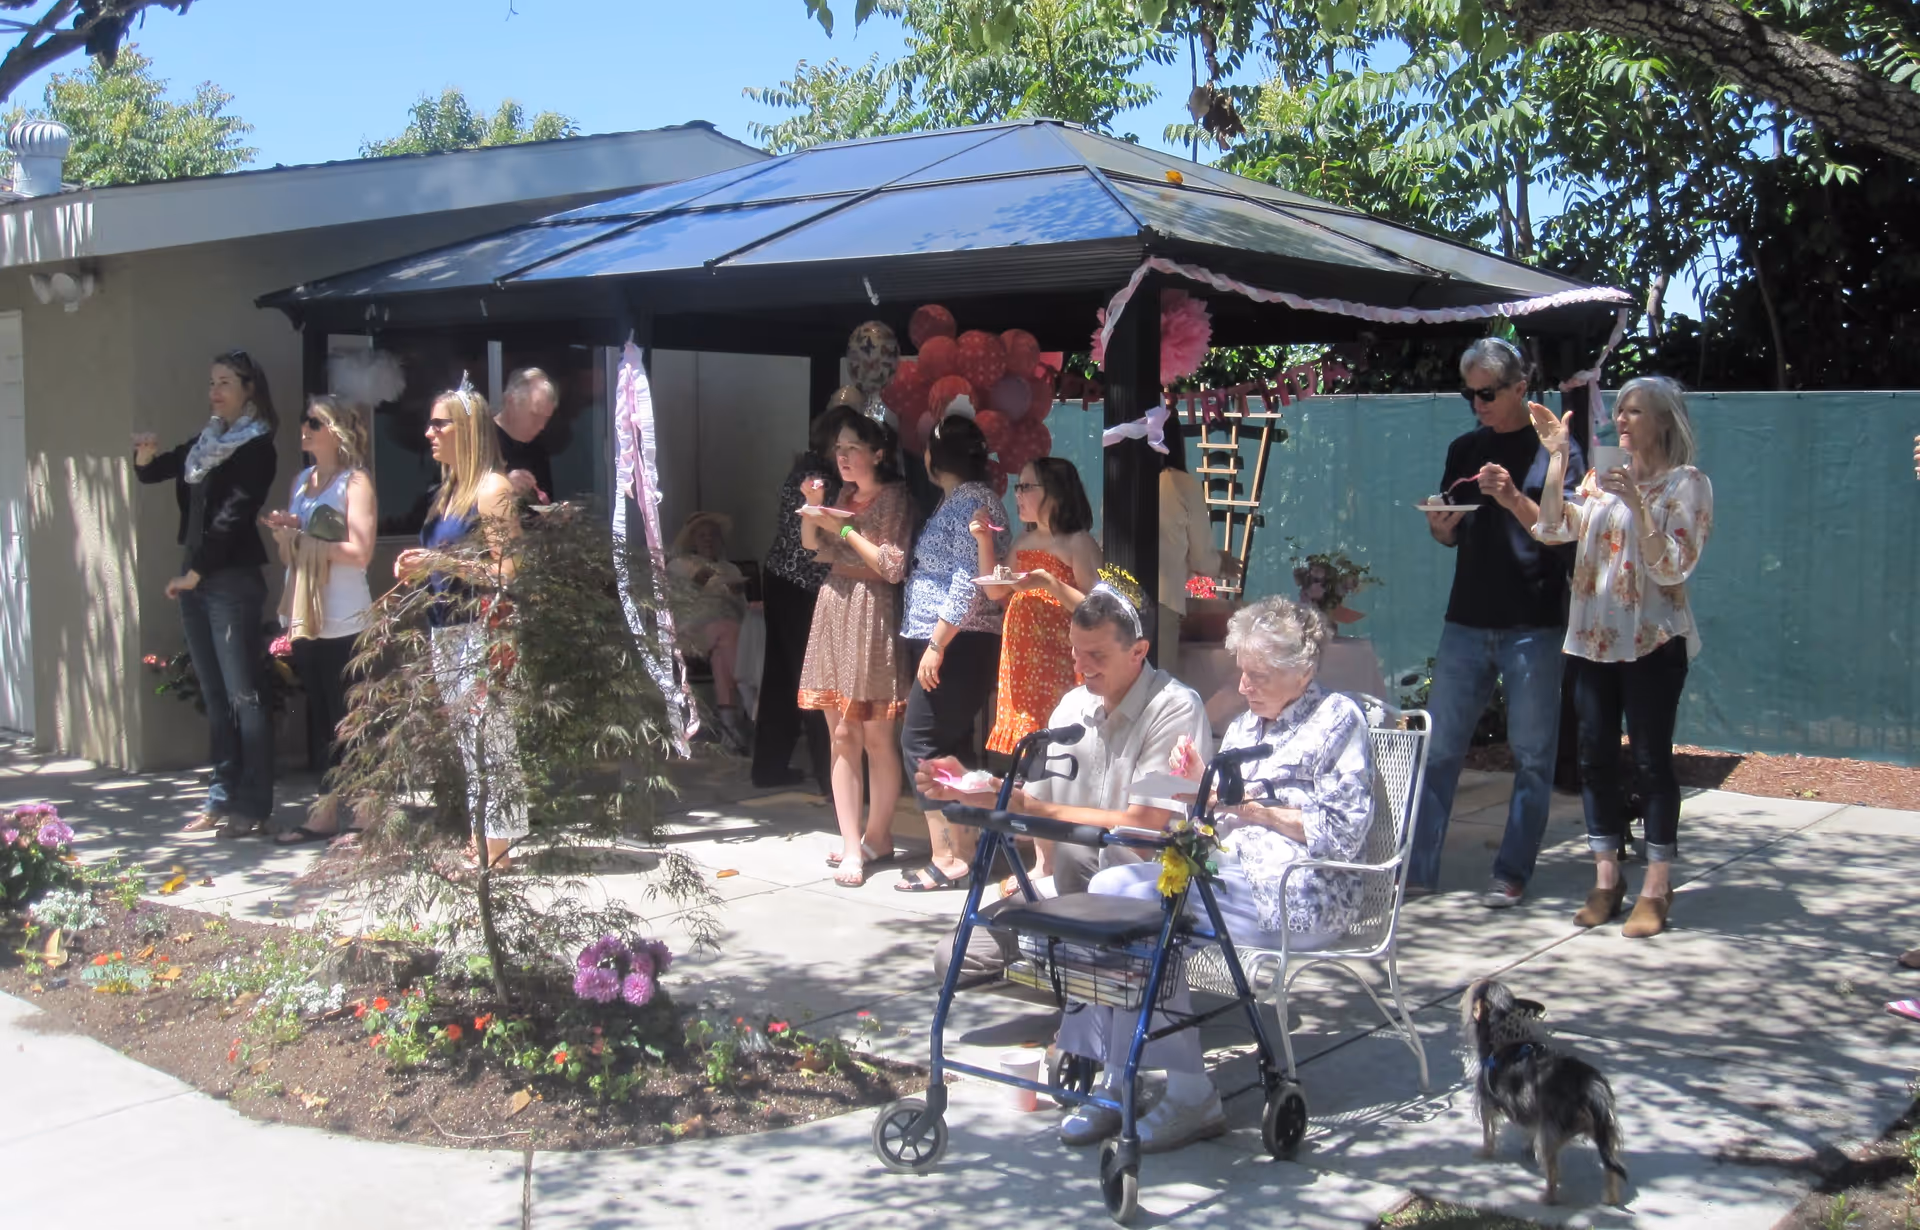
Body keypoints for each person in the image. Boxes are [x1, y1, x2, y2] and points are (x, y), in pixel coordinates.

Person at [1049, 595, 1379, 1151]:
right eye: (1241, 672)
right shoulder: (1252, 723)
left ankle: (1186, 1092)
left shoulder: (1336, 719)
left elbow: (1345, 832)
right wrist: (1198, 789)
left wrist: (1249, 808)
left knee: (1152, 909)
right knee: (1108, 888)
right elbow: (1224, 810)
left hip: (1299, 889)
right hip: (1229, 874)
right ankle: (1114, 1075)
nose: (1243, 687)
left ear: (1302, 671)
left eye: (1257, 675)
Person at [916, 584, 1215, 1149]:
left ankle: (1110, 1068)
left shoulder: (1177, 706)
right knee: (958, 955)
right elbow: (1029, 797)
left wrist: (1035, 809)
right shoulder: (1074, 705)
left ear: (1138, 651)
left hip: (1143, 895)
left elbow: (1148, 827)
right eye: (1075, 653)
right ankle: (1086, 1027)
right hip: (1073, 890)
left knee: (1101, 910)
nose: (1081, 668)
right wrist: (975, 788)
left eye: (1096, 656)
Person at [1529, 375, 1713, 939]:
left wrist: (1639, 503)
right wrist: (1558, 459)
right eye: (1621, 412)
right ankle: (1607, 879)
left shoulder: (1688, 484)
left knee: (1653, 761)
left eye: (1635, 412)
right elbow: (1552, 527)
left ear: (1663, 421)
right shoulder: (1599, 477)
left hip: (1653, 641)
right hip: (1592, 640)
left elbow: (1672, 566)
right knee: (1594, 758)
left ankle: (1657, 885)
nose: (1622, 422)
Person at [1407, 337, 1586, 908]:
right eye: (1469, 393)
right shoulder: (1465, 448)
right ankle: (1418, 870)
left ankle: (1511, 872)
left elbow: (1567, 535)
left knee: (1532, 754)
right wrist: (1440, 527)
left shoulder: (1555, 451)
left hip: (1533, 620)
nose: (1477, 402)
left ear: (1519, 388)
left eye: (1487, 392)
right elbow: (1455, 531)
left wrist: (1512, 498)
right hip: (1467, 617)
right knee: (1438, 749)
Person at [133, 349, 279, 837]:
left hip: (229, 577)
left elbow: (233, 513)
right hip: (196, 574)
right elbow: (158, 470)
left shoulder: (257, 446)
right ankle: (220, 796)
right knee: (216, 697)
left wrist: (196, 571)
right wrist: (145, 455)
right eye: (211, 382)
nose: (215, 391)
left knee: (243, 695)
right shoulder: (206, 441)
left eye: (224, 383)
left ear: (248, 389)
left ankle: (253, 803)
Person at [393, 381, 524, 871]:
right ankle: (482, 836)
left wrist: (443, 564)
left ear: (466, 429)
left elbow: (509, 570)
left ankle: (499, 848)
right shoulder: (447, 491)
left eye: (439, 423)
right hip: (444, 626)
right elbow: (441, 561)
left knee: (492, 737)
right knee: (469, 742)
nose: (429, 433)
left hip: (484, 627)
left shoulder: (493, 488)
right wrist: (420, 567)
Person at [797, 408, 914, 887]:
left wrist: (844, 528)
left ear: (878, 454)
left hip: (872, 608)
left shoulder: (895, 497)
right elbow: (812, 546)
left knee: (876, 736)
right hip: (836, 601)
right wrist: (812, 508)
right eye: (839, 450)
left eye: (853, 449)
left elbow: (891, 565)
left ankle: (878, 834)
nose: (843, 458)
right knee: (841, 733)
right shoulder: (843, 494)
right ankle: (851, 844)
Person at [894, 415, 1009, 893]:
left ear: (935, 457)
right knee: (949, 745)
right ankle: (963, 850)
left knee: (918, 741)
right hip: (956, 638)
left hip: (958, 640)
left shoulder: (971, 500)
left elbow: (967, 578)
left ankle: (947, 854)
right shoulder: (964, 499)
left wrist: (938, 643)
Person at [980, 456, 1101, 882]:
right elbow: (995, 590)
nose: (1019, 496)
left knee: (1053, 760)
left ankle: (1049, 863)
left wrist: (1049, 583)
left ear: (1055, 492)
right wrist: (983, 541)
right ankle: (1042, 862)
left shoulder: (1077, 543)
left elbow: (1095, 608)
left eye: (1027, 487)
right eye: (1017, 487)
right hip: (1021, 664)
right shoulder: (1022, 543)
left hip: (1056, 667)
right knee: (1029, 758)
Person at [262, 396, 376, 845]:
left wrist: (307, 541)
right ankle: (325, 813)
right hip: (306, 614)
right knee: (322, 718)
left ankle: (367, 817)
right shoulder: (301, 482)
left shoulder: (355, 483)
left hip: (345, 615)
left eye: (315, 422)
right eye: (304, 420)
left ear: (338, 431)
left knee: (352, 717)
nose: (305, 428)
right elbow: (288, 552)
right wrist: (286, 533)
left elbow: (361, 552)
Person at [754, 414, 840, 792]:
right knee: (814, 680)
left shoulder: (805, 468)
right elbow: (817, 538)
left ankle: (768, 768)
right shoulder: (821, 478)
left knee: (782, 679)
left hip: (780, 579)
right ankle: (828, 774)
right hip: (802, 585)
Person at [668, 511, 750, 750]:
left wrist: (736, 595)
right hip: (692, 632)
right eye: (702, 535)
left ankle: (728, 726)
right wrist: (709, 582)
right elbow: (689, 591)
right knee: (728, 632)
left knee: (723, 652)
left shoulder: (731, 569)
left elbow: (743, 607)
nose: (708, 539)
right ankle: (749, 704)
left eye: (713, 535)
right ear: (692, 540)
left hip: (727, 635)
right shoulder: (681, 564)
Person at [1157, 413, 1226, 676]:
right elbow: (1202, 560)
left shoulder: (1120, 478)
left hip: (1117, 598)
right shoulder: (1180, 483)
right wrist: (1221, 563)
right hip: (1162, 601)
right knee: (1157, 696)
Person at [496, 367, 557, 503]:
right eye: (535, 416)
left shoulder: (538, 448)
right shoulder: (481, 439)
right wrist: (504, 486)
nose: (542, 426)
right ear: (510, 402)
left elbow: (546, 501)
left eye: (546, 419)